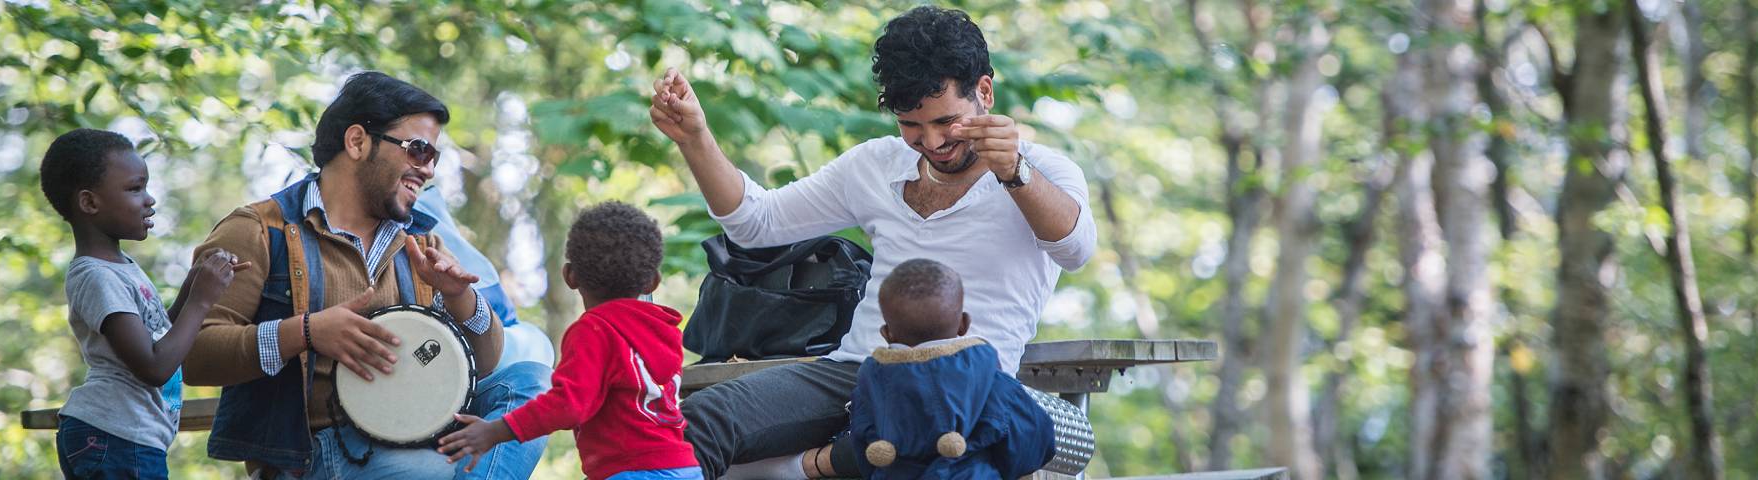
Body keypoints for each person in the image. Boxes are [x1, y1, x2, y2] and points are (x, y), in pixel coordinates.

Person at [649, 5, 1098, 478]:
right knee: (698, 421)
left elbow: (1075, 249)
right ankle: (814, 465)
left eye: (947, 122)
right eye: (911, 125)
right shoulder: (875, 166)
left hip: (962, 387)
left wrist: (1015, 172)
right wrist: (695, 139)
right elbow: (754, 223)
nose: (932, 141)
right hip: (858, 372)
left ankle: (812, 467)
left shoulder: (1044, 172)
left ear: (984, 91)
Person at [182, 71, 548, 479]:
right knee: (431, 473)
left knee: (532, 384)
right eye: (418, 150)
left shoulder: (422, 243)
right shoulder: (256, 230)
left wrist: (461, 298)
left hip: (417, 433)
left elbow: (488, 360)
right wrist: (305, 332)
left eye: (433, 158)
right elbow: (194, 355)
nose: (427, 170)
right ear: (357, 141)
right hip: (313, 455)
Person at [437, 202, 701, 480]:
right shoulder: (666, 330)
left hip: (632, 471)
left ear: (569, 275)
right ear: (653, 282)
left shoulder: (594, 330)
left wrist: (496, 430)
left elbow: (569, 404)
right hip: (684, 466)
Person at [41, 128, 247, 479]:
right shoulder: (97, 276)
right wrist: (200, 301)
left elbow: (151, 340)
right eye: (135, 189)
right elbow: (154, 367)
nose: (149, 199)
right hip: (117, 437)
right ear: (89, 203)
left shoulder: (120, 269)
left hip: (120, 437)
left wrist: (192, 286)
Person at [847, 259, 1053, 479]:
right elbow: (1034, 439)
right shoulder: (989, 380)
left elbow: (863, 449)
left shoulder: (871, 385)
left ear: (886, 333)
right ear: (964, 324)